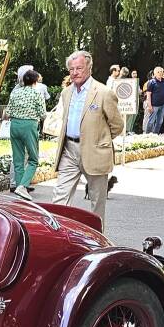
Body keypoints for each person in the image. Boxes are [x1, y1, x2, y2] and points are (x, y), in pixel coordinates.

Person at [52, 50, 124, 222]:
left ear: (89, 68)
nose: (75, 72)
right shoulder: (66, 92)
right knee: (59, 199)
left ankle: (97, 241)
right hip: (69, 150)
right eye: (71, 69)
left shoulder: (104, 93)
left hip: (95, 152)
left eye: (79, 68)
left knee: (97, 202)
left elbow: (117, 125)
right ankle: (58, 238)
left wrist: (99, 140)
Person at [4, 68, 46, 200]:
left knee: (18, 159)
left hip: (14, 125)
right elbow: (43, 114)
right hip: (29, 126)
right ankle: (23, 186)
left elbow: (8, 111)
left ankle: (19, 187)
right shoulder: (36, 93)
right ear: (35, 81)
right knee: (33, 159)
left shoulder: (15, 93)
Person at [145, 67, 164, 134]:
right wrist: (149, 105)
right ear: (155, 73)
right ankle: (147, 136)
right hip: (154, 105)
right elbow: (148, 94)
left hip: (163, 105)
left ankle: (155, 135)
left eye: (161, 71)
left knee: (160, 122)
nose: (160, 73)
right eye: (158, 72)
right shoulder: (151, 82)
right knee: (151, 121)